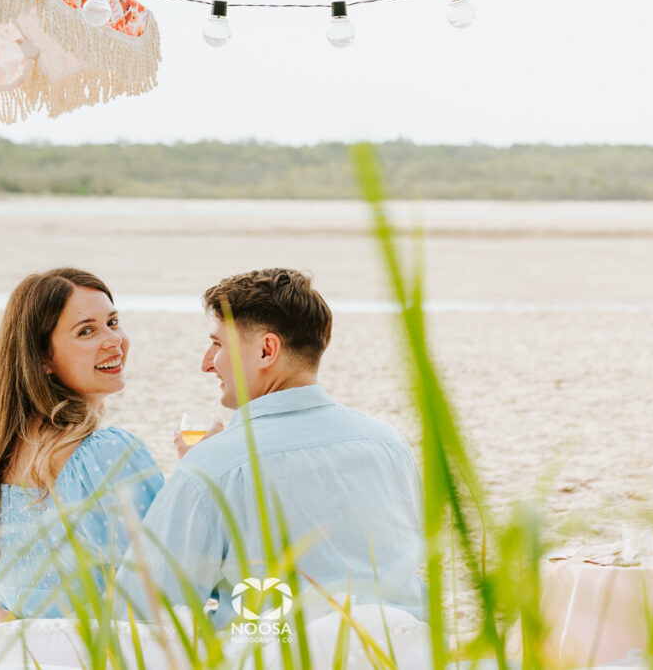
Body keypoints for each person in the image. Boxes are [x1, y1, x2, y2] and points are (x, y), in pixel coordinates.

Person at [115, 268, 426, 628]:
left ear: (267, 350)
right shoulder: (389, 444)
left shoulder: (215, 466)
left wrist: (206, 474)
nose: (206, 363)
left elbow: (140, 614)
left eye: (217, 345)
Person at [0, 268, 164, 658]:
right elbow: (161, 582)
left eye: (113, 322)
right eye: (86, 331)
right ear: (43, 358)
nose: (114, 341)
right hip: (65, 654)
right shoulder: (106, 452)